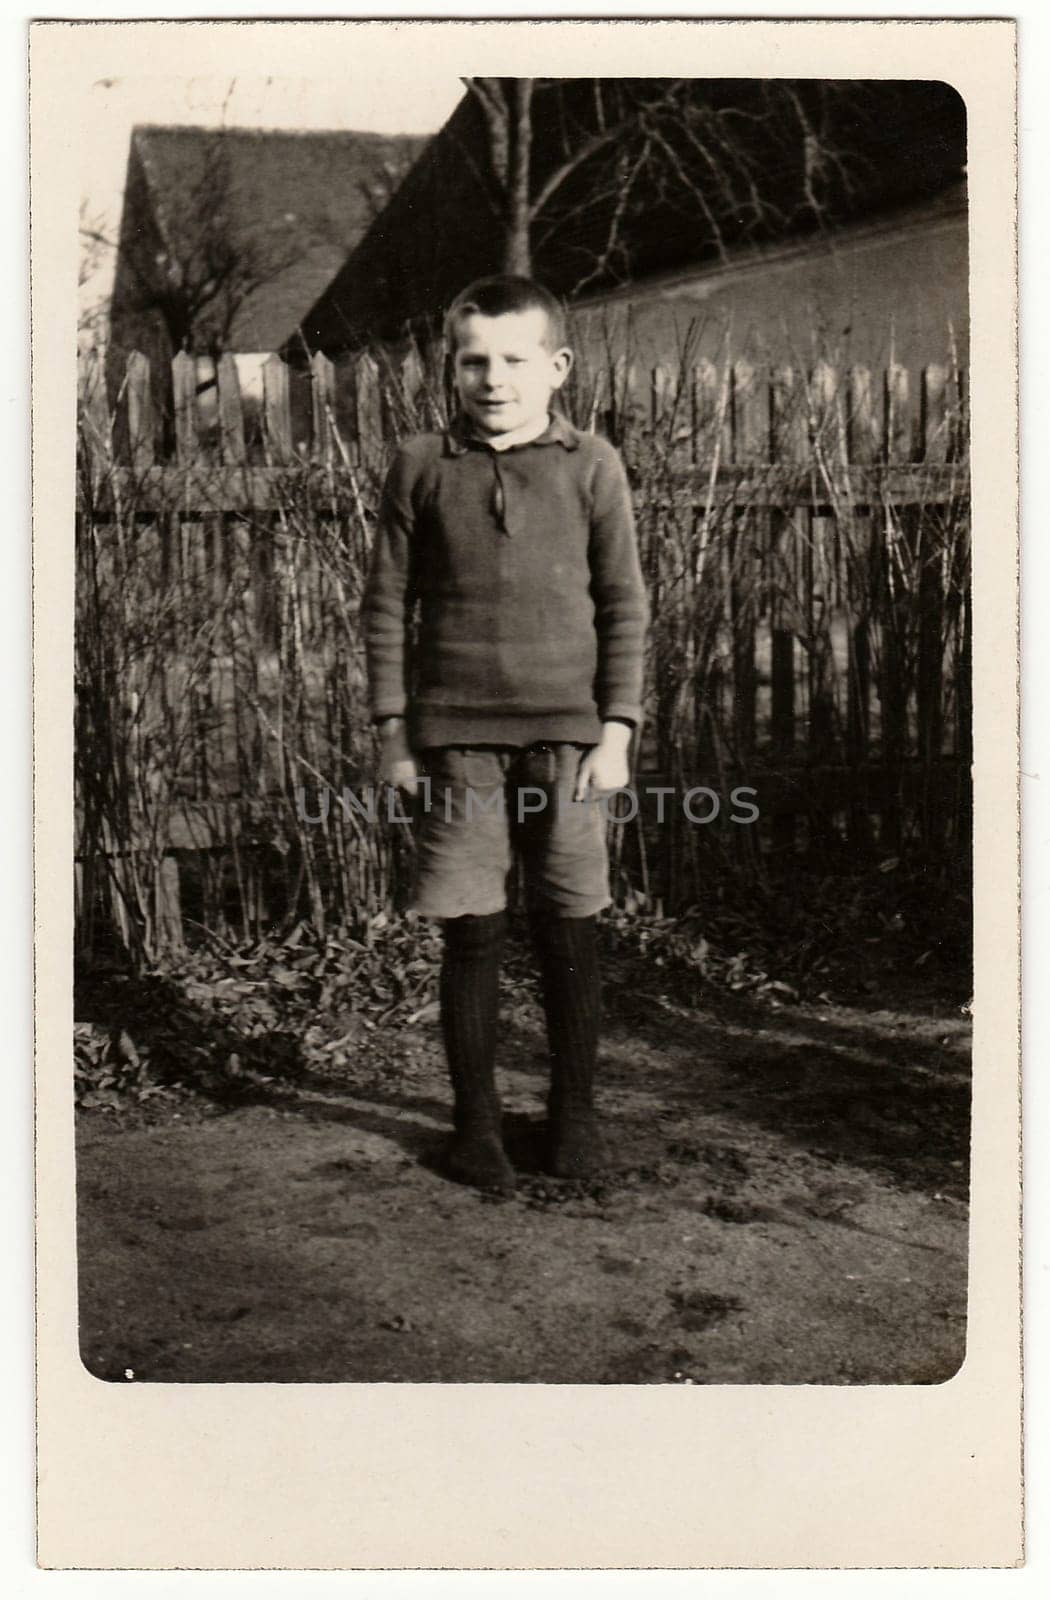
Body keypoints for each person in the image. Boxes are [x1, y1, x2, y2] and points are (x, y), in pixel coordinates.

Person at [362, 274, 648, 1194]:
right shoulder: (419, 464)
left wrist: (618, 729)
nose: (493, 379)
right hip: (454, 740)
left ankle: (574, 1122)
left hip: (568, 738)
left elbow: (624, 607)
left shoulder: (592, 464)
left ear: (556, 367)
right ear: (452, 367)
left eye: (514, 360)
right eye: (473, 360)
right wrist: (393, 730)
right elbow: (385, 608)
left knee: (569, 925)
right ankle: (476, 1127)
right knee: (472, 932)